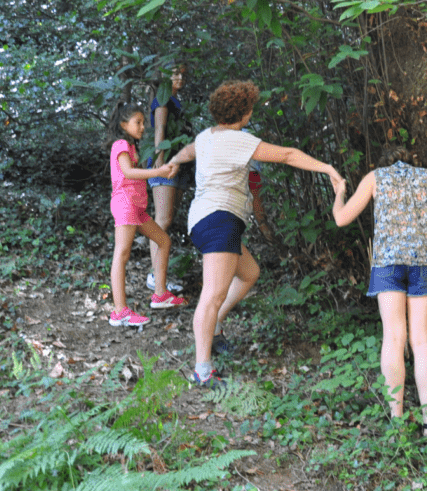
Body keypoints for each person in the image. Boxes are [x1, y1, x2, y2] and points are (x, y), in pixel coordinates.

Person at [167, 80, 343, 388]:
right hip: (219, 218)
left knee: (249, 273)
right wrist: (327, 168)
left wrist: (173, 162)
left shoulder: (206, 136)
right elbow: (287, 155)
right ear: (244, 112)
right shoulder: (238, 140)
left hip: (206, 220)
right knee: (212, 295)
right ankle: (202, 369)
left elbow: (188, 151)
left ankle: (216, 326)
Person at [332, 145, 427, 436]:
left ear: (385, 162)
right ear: (411, 160)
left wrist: (339, 194)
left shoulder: (375, 178)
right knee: (422, 341)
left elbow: (341, 218)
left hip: (388, 263)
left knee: (394, 338)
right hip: (422, 263)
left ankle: (397, 421)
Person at [104, 102, 189, 329]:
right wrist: (159, 171)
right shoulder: (120, 144)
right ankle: (120, 311)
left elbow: (137, 171)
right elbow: (129, 172)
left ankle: (160, 295)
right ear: (124, 124)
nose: (142, 127)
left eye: (143, 122)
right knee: (121, 255)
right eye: (138, 123)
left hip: (137, 208)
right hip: (125, 205)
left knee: (163, 240)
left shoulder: (132, 147)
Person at [146, 65, 193, 293]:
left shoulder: (176, 101)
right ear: (164, 76)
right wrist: (160, 159)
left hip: (179, 166)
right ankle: (155, 277)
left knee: (167, 219)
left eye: (182, 73)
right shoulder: (162, 100)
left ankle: (160, 274)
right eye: (175, 73)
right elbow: (160, 129)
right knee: (162, 220)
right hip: (166, 165)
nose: (180, 78)